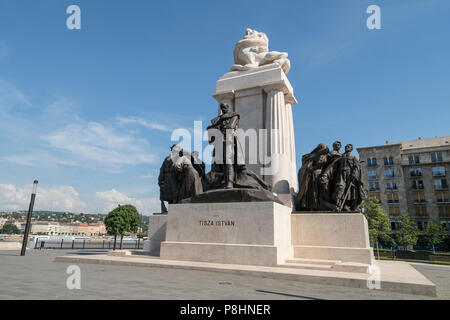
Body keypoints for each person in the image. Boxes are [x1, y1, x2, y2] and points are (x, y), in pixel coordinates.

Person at [208, 103, 242, 189]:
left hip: (229, 140)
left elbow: (230, 126)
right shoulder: (216, 119)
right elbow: (211, 129)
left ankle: (230, 182)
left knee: (228, 160)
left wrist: (217, 128)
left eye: (225, 107)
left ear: (228, 107)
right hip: (219, 140)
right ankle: (223, 181)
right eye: (222, 107)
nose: (224, 108)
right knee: (220, 162)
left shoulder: (234, 115)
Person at [158, 144, 181, 213]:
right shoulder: (167, 158)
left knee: (175, 195)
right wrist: (160, 180)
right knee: (168, 196)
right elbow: (162, 170)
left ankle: (174, 210)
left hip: (175, 178)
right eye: (174, 150)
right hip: (168, 179)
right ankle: (169, 210)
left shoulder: (180, 158)